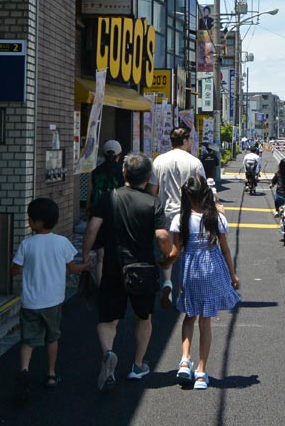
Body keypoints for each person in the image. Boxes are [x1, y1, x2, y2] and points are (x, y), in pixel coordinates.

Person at [82, 153, 171, 391]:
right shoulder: (153, 202)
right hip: (143, 269)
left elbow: (92, 228)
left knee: (107, 319)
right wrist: (168, 255)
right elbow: (162, 236)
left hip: (113, 267)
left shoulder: (109, 197)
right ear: (148, 177)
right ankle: (138, 365)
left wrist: (86, 254)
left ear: (124, 173)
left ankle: (108, 353)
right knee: (144, 317)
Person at [10, 198, 91, 402]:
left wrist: (14, 269)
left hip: (30, 302)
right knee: (52, 338)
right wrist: (85, 266)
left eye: (30, 219)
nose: (29, 221)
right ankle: (51, 374)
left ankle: (24, 371)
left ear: (37, 222)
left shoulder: (27, 244)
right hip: (53, 301)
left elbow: (14, 269)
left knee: (28, 341)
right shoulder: (62, 242)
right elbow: (72, 268)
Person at [165, 174, 240, 390]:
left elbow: (176, 251)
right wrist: (232, 275)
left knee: (189, 316)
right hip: (211, 268)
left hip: (190, 269)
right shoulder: (216, 218)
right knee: (205, 322)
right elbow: (225, 249)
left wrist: (164, 264)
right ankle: (200, 372)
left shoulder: (180, 219)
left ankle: (184, 360)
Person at [149, 127, 206, 309]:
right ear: (186, 140)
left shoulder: (159, 161)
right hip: (188, 214)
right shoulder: (194, 163)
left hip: (164, 213)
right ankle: (184, 291)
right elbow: (202, 190)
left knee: (168, 251)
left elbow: (152, 190)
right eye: (191, 139)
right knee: (187, 253)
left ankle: (167, 283)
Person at [87, 140, 124, 284]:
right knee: (119, 254)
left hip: (98, 215)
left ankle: (100, 287)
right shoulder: (123, 171)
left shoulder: (96, 171)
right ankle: (118, 285)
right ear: (119, 154)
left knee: (100, 258)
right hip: (118, 214)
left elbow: (91, 194)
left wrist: (89, 210)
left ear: (103, 154)